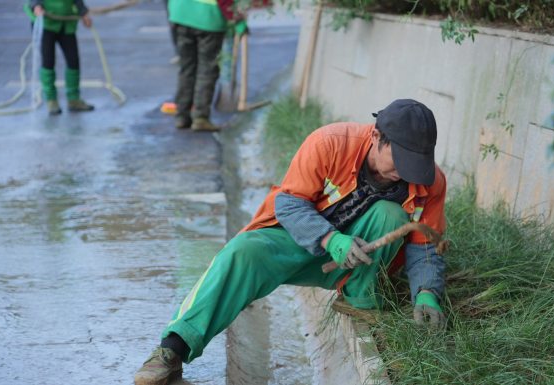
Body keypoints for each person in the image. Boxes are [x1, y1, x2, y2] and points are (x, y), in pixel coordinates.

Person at [134, 99, 448, 385]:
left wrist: (427, 293)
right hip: (296, 240)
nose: (404, 173)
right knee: (240, 253)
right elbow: (289, 204)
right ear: (377, 136)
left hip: (356, 262)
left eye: (414, 163)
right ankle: (172, 349)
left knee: (391, 214)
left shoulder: (429, 182)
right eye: (400, 160)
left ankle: (360, 300)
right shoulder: (330, 143)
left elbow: (425, 244)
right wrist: (330, 238)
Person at [168, 0, 235, 131]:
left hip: (180, 13)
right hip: (208, 18)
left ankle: (182, 116)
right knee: (207, 69)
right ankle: (200, 117)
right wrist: (237, 19)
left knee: (187, 67)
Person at [27, 0, 95, 115]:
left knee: (73, 61)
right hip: (46, 23)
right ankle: (51, 100)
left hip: (66, 22)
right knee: (48, 62)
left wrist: (83, 13)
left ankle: (74, 99)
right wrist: (36, 6)